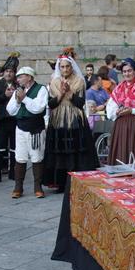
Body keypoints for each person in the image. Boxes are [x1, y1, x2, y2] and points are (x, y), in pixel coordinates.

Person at [44, 56, 99, 193]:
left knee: (75, 150)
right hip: (58, 120)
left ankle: (76, 181)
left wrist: (69, 93)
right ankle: (61, 183)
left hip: (75, 119)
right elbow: (51, 104)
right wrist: (61, 94)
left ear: (71, 67)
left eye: (67, 66)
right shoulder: (54, 82)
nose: (65, 69)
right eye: (62, 67)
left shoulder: (79, 81)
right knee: (60, 152)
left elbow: (81, 103)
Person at [6, 66, 49, 198]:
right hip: (20, 128)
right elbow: (10, 110)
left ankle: (38, 187)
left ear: (29, 77)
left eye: (20, 76)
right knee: (20, 157)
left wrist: (24, 99)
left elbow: (38, 108)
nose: (18, 79)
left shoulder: (41, 89)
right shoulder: (19, 91)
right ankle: (18, 187)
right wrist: (18, 102)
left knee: (37, 157)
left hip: (35, 128)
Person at [0, 53, 19, 184]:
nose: (9, 74)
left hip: (14, 120)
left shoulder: (18, 85)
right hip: (2, 120)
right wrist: (4, 95)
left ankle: (13, 173)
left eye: (11, 71)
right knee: (0, 148)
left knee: (14, 148)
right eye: (7, 71)